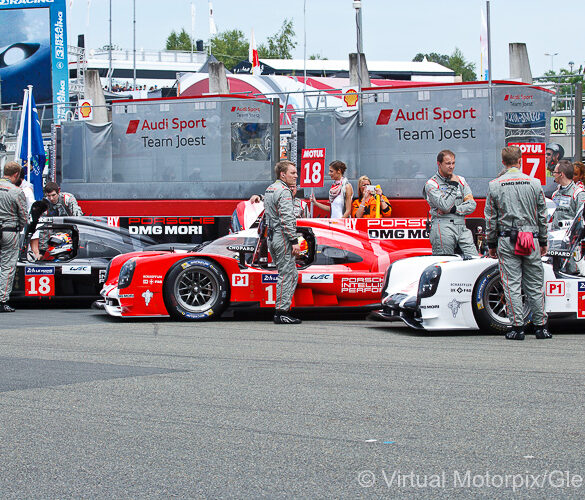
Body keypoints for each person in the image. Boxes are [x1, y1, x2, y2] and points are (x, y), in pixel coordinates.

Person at [485, 146, 551, 340]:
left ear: (503, 162)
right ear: (520, 161)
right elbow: (542, 215)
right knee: (535, 284)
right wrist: (543, 240)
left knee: (511, 284)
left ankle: (517, 328)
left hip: (507, 238)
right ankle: (541, 327)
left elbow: (491, 218)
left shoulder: (495, 185)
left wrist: (491, 244)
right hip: (531, 238)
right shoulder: (535, 183)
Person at [264, 160, 302, 324]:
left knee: (291, 274)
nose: (296, 175)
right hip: (283, 237)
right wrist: (294, 240)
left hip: (272, 236)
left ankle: (283, 310)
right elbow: (287, 218)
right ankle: (281, 313)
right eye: (292, 173)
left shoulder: (271, 188)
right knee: (287, 275)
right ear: (282, 174)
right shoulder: (284, 191)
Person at [423, 150, 478, 257]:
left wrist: (454, 209)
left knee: (474, 259)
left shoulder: (461, 180)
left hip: (462, 226)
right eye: (448, 163)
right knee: (446, 262)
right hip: (442, 226)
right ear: (439, 164)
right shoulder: (431, 184)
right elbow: (444, 206)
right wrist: (453, 185)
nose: (451, 166)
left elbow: (472, 205)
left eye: (453, 163)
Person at [0, 162, 28, 312]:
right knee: (7, 266)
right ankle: (2, 300)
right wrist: (21, 227)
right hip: (9, 231)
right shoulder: (16, 191)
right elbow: (23, 215)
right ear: (16, 175)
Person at [30, 181, 84, 259]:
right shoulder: (45, 204)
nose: (51, 198)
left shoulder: (67, 198)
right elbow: (44, 228)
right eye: (48, 196)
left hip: (72, 232)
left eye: (53, 195)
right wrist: (42, 252)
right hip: (56, 237)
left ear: (59, 191)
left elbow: (78, 217)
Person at [550, 159, 585, 230]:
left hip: (569, 235)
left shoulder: (578, 193)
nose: (553, 175)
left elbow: (581, 221)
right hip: (554, 234)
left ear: (561, 174)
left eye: (555, 172)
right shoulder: (555, 194)